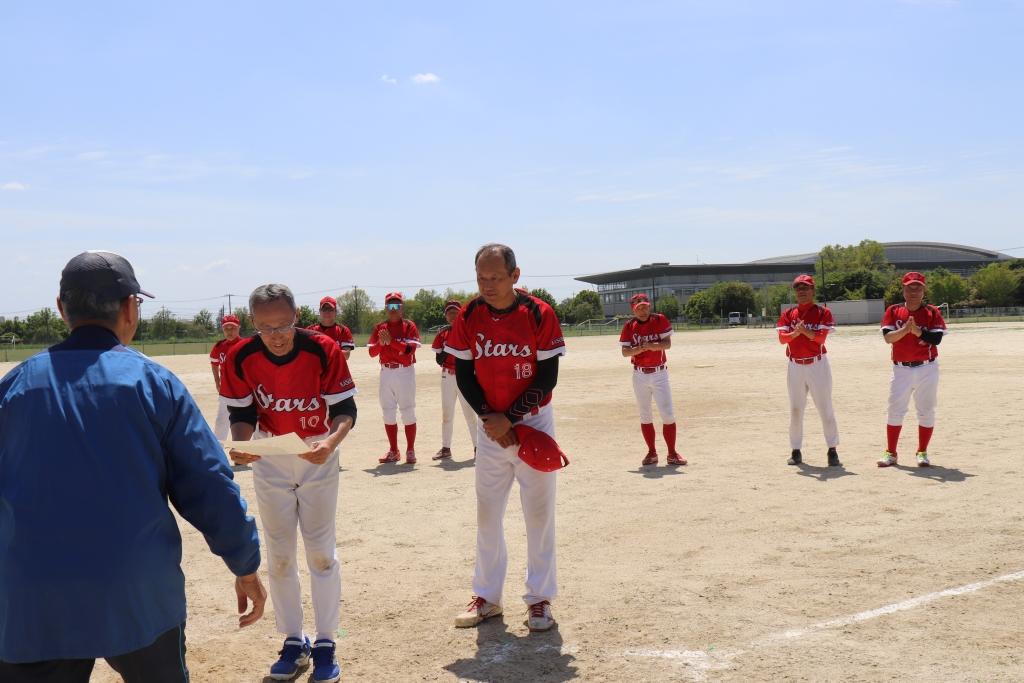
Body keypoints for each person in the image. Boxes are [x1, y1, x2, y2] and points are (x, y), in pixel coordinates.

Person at [0, 251, 266, 683]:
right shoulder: (153, 383)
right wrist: (244, 562)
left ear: (61, 308)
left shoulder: (14, 386)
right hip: (136, 590)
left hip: (32, 595)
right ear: (130, 308)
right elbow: (209, 485)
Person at [222, 284, 357, 683]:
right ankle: (294, 640)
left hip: (316, 454)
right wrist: (243, 445)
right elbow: (242, 414)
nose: (276, 335)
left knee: (321, 553)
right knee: (279, 554)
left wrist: (331, 442)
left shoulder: (322, 349)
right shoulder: (240, 356)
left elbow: (345, 408)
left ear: (297, 317)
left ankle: (327, 641)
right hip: (272, 456)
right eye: (265, 327)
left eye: (283, 325)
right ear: (252, 323)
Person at [445, 243, 566, 632]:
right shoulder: (470, 314)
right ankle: (487, 597)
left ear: (515, 275)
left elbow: (548, 377)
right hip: (491, 428)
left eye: (496, 277)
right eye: (481, 277)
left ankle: (539, 598)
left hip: (533, 422)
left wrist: (509, 419)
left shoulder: (538, 313)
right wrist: (490, 418)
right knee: (488, 513)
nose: (488, 285)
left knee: (539, 514)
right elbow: (465, 375)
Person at [878, 271, 947, 468]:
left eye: (918, 288)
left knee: (926, 410)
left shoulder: (932, 312)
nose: (914, 291)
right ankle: (891, 453)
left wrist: (917, 331)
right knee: (895, 409)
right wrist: (906, 330)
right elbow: (888, 338)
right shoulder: (894, 310)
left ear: (923, 291)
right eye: (910, 287)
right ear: (903, 290)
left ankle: (922, 451)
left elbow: (936, 339)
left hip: (927, 368)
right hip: (901, 369)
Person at [776, 274, 841, 467]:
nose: (802, 291)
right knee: (796, 409)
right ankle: (795, 450)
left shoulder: (822, 312)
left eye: (806, 288)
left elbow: (821, 339)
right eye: (798, 288)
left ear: (813, 291)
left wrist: (804, 332)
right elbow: (782, 339)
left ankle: (832, 450)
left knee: (825, 408)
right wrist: (796, 333)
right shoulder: (788, 313)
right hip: (795, 365)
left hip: (817, 365)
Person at [619, 293, 686, 467]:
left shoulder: (659, 319)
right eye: (639, 308)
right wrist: (638, 350)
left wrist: (651, 346)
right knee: (645, 415)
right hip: (639, 375)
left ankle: (672, 453)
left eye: (645, 307)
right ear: (633, 309)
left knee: (668, 414)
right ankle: (652, 452)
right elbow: (625, 352)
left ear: (649, 306)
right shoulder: (629, 325)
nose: (643, 311)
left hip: (659, 373)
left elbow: (667, 344)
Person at [368, 292, 420, 464]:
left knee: (408, 411)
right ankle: (393, 450)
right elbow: (371, 352)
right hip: (386, 372)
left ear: (402, 308)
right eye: (390, 305)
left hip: (404, 372)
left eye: (397, 305)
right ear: (385, 308)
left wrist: (391, 342)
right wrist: (380, 343)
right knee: (388, 412)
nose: (393, 309)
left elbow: (409, 350)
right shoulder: (380, 327)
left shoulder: (409, 326)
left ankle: (410, 450)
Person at [431, 299, 479, 460]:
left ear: (461, 314)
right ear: (445, 316)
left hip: (465, 376)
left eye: (455, 312)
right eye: (449, 313)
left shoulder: (469, 331)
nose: (452, 315)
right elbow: (439, 360)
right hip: (448, 376)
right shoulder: (443, 334)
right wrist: (450, 345)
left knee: (469, 414)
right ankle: (446, 448)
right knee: (447, 414)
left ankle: (478, 448)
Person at [209, 313, 245, 439]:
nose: (229, 331)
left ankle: (247, 445)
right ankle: (219, 445)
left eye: (233, 328)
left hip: (245, 390)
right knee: (222, 420)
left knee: (247, 420)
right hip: (226, 390)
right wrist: (217, 381)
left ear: (239, 327)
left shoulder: (246, 345)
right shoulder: (219, 346)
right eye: (226, 328)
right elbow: (214, 363)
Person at [307, 296, 355, 360]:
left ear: (335, 312)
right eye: (324, 309)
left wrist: (320, 352)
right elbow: (305, 354)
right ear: (320, 311)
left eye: (330, 309)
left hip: (336, 366)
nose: (327, 312)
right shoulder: (310, 330)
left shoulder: (343, 330)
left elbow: (346, 355)